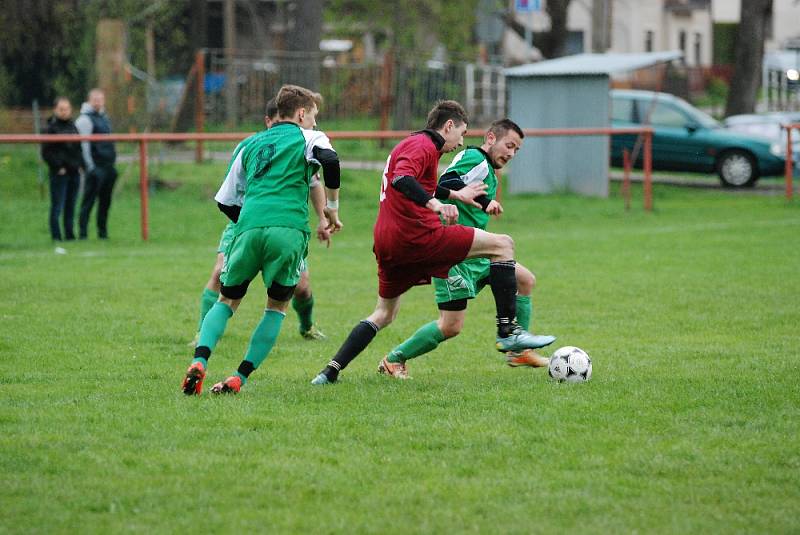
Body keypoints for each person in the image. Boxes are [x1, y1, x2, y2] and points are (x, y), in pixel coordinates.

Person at [311, 101, 554, 385]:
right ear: (448, 126)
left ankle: (329, 372)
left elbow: (420, 182)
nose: (461, 142)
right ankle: (508, 334)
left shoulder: (409, 145)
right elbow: (404, 178)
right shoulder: (425, 146)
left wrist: (457, 197)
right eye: (461, 133)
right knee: (503, 245)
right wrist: (436, 205)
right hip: (421, 237)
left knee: (385, 313)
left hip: (387, 240)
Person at [181, 84, 341, 396]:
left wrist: (250, 224)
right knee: (276, 307)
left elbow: (225, 201)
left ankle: (200, 361)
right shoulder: (308, 137)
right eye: (313, 116)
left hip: (247, 227)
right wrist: (331, 210)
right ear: (300, 113)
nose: (315, 123)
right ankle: (238, 378)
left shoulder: (249, 144)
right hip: (288, 229)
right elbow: (331, 162)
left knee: (227, 301)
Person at [380, 119, 555, 376]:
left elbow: (459, 185)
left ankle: (518, 351)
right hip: (456, 256)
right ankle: (394, 359)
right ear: (491, 138)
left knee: (525, 280)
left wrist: (483, 203)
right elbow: (447, 182)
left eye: (517, 150)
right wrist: (483, 201)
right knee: (451, 326)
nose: (511, 153)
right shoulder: (475, 157)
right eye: (509, 145)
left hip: (480, 254)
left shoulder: (483, 164)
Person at [76, 88, 117, 240]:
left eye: (100, 99)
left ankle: (103, 233)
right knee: (88, 202)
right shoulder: (84, 120)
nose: (98, 102)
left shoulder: (105, 118)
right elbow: (84, 145)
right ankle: (83, 233)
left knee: (105, 203)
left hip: (108, 167)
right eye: (95, 99)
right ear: (89, 100)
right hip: (95, 168)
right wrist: (90, 167)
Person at [41, 97, 83, 242]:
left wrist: (80, 165)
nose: (64, 112)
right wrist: (58, 167)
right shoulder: (50, 128)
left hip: (74, 172)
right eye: (61, 109)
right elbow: (46, 152)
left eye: (67, 109)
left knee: (71, 205)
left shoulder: (73, 126)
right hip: (59, 173)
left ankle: (70, 235)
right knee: (57, 205)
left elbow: (78, 148)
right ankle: (56, 236)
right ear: (55, 110)